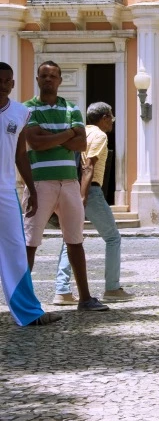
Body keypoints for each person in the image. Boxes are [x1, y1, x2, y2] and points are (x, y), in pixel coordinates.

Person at [23, 61, 107, 312]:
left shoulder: (72, 108)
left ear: (60, 80)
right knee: (30, 242)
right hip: (40, 183)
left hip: (69, 182)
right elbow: (35, 143)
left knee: (75, 240)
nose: (49, 79)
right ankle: (24, 301)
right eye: (44, 75)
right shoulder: (28, 108)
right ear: (37, 79)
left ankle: (85, 298)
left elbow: (81, 144)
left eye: (53, 76)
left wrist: (53, 137)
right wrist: (67, 134)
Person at [0, 62, 62, 326]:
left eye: (7, 81)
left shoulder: (20, 112)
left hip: (5, 190)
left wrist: (32, 189)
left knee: (15, 249)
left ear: (13, 84)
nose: (2, 85)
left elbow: (20, 155)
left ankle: (28, 312)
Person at [52, 102, 132, 305]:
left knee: (70, 239)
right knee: (113, 238)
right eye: (111, 118)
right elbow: (88, 166)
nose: (111, 122)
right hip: (90, 191)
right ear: (104, 117)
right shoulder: (99, 135)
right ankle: (112, 288)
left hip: (70, 186)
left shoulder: (81, 132)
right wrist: (82, 197)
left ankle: (62, 291)